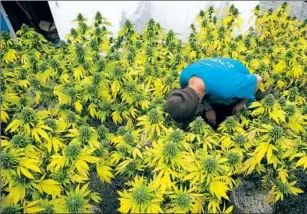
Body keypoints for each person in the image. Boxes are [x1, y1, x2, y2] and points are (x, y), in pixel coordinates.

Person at [165, 58, 263, 129]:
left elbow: (258, 79)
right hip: (216, 71)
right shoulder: (184, 78)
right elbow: (197, 97)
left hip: (236, 74)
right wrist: (208, 109)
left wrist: (242, 102)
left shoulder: (228, 88)